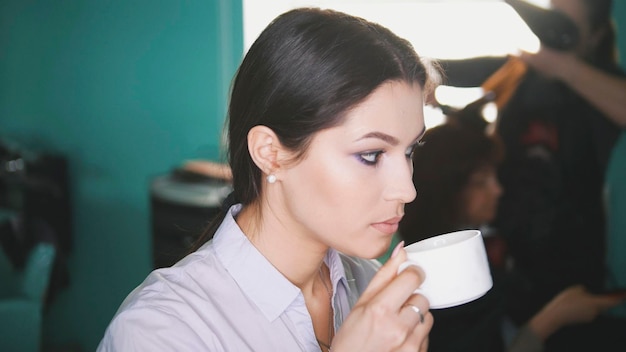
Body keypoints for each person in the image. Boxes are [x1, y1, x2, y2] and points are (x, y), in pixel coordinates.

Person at [98, 7, 438, 351]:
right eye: (371, 155)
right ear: (270, 153)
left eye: (409, 151)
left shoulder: (371, 289)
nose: (406, 190)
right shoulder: (159, 329)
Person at [433, 1, 626, 349]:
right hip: (511, 268)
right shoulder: (520, 74)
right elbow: (468, 72)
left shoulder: (597, 82)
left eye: (564, 18)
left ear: (595, 34)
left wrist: (566, 69)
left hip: (570, 270)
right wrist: (425, 74)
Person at [398, 104, 626, 352]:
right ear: (446, 190)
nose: (498, 189)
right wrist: (552, 319)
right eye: (481, 182)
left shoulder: (485, 239)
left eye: (494, 177)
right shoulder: (441, 269)